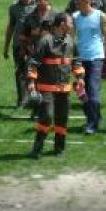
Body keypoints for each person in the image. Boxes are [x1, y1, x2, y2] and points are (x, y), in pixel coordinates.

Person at [27, 13, 85, 158]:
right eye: (70, 22)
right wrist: (31, 83)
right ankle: (37, 148)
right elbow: (33, 63)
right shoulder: (45, 41)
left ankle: (59, 148)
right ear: (62, 24)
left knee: (62, 119)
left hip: (64, 89)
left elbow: (76, 61)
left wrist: (80, 78)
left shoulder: (71, 41)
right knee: (47, 117)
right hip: (46, 89)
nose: (72, 25)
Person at [72, 0, 106, 134]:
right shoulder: (75, 17)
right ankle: (94, 117)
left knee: (93, 90)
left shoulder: (100, 16)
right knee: (82, 91)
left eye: (79, 3)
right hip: (80, 59)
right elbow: (71, 38)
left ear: (86, 2)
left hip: (96, 58)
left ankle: (92, 124)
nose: (77, 6)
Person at [3, 0, 36, 110]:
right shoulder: (14, 8)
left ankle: (35, 98)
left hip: (34, 45)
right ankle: (22, 100)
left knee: (34, 71)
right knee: (20, 72)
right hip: (18, 45)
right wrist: (6, 46)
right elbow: (10, 26)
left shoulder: (37, 6)